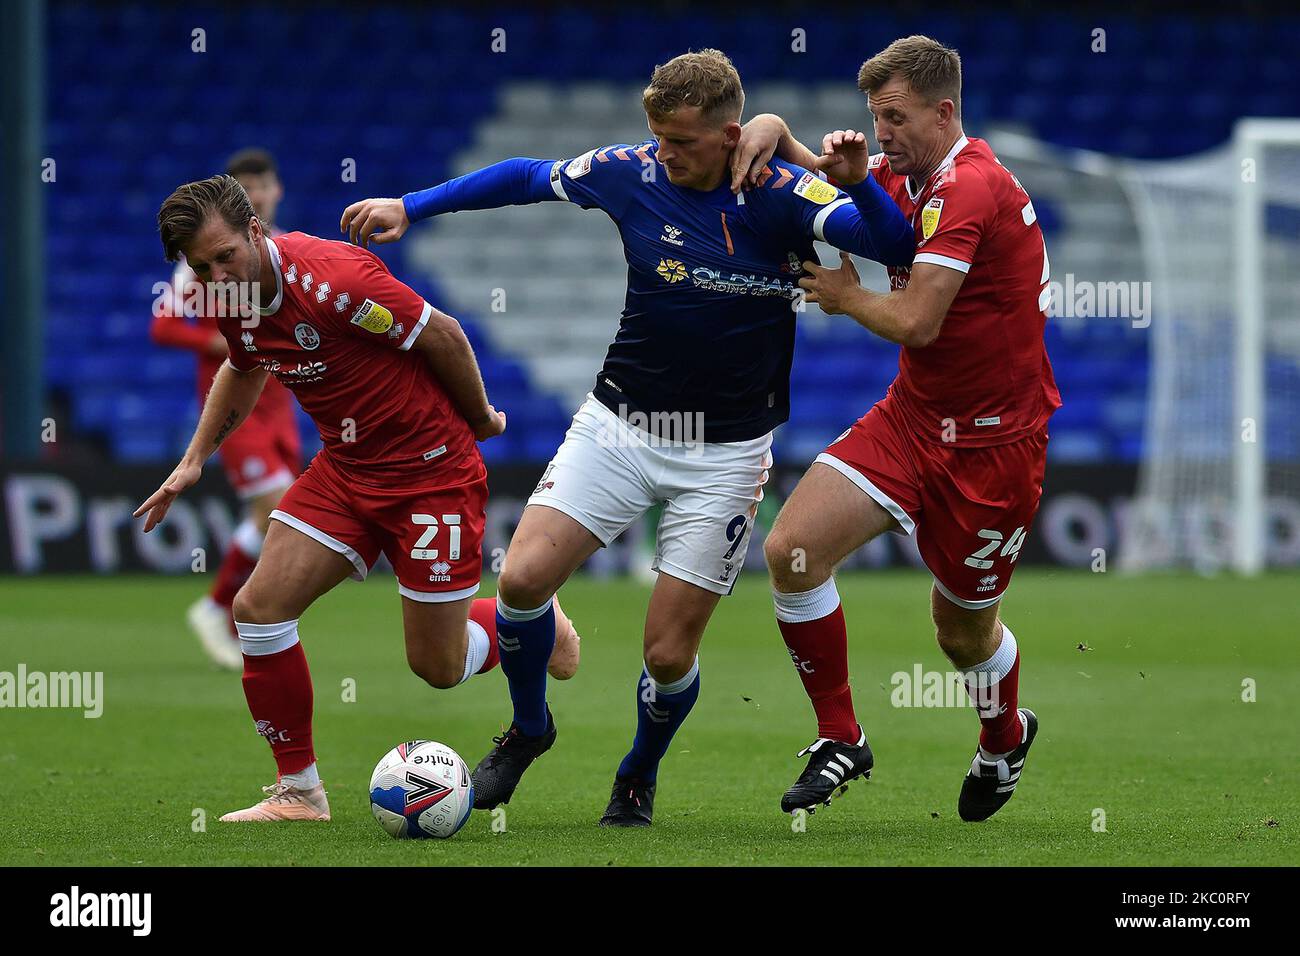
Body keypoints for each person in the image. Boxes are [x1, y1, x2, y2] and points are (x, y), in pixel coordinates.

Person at [341, 48, 914, 826]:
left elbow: (899, 248)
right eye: (657, 138)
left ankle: (639, 770)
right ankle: (530, 727)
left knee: (668, 656)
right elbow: (524, 176)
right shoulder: (631, 171)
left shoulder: (779, 192)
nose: (663, 155)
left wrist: (859, 187)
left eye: (680, 142)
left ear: (728, 135)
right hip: (619, 425)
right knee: (518, 582)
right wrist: (413, 206)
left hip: (726, 455)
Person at [135, 174, 580, 823]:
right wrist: (194, 459)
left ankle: (534, 625)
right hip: (346, 471)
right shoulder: (227, 296)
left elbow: (444, 334)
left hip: (431, 474)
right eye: (201, 266)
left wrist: (481, 417)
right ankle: (299, 792)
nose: (216, 273)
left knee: (437, 666)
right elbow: (243, 363)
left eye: (225, 255)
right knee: (258, 610)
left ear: (257, 231)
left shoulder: (337, 280)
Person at [733, 35, 1060, 820]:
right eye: (876, 118)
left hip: (994, 446)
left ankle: (1003, 735)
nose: (882, 134)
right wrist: (777, 129)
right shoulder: (912, 175)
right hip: (914, 420)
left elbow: (917, 319)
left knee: (961, 634)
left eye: (895, 118)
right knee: (792, 550)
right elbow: (826, 188)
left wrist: (844, 298)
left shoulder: (969, 188)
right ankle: (841, 736)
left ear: (944, 112)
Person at [148, 148, 300, 669]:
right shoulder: (206, 262)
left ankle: (235, 613)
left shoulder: (282, 253)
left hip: (281, 399)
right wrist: (215, 345)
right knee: (276, 509)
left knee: (278, 516)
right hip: (234, 404)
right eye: (246, 185)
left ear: (276, 190)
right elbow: (163, 325)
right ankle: (221, 608)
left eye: (263, 183)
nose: (256, 192)